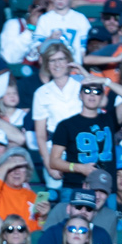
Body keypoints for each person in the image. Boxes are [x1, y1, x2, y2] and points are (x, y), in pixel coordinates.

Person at [50, 75, 122, 194]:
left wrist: (106, 81)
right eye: (87, 90)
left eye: (97, 91)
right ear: (80, 95)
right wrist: (79, 168)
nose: (92, 94)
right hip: (75, 187)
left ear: (102, 97)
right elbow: (54, 161)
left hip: (106, 189)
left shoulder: (110, 119)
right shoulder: (66, 125)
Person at [32, 42, 82, 187]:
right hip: (56, 150)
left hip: (82, 146)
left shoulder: (81, 84)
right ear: (47, 64)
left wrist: (83, 72)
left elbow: (102, 101)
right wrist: (48, 163)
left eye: (61, 59)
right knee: (58, 192)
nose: (57, 64)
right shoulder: (41, 93)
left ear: (68, 61)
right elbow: (40, 135)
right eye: (52, 60)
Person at [0, 149, 49, 231]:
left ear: (27, 171)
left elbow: (37, 229)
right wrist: (4, 167)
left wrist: (43, 218)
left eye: (21, 167)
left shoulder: (32, 196)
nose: (17, 172)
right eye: (12, 167)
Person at [42, 167, 117, 240]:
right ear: (84, 186)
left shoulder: (110, 216)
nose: (97, 196)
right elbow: (46, 239)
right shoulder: (60, 209)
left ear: (109, 194)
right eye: (94, 190)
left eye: (103, 192)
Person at [33, 0, 92, 64]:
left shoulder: (80, 19)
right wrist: (49, 39)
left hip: (74, 66)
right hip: (52, 67)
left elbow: (83, 50)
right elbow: (38, 49)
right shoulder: (45, 19)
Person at [38, 189, 114, 244]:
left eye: (89, 209)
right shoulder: (52, 233)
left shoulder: (102, 235)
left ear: (94, 213)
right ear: (68, 209)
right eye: (78, 207)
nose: (83, 211)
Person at [0, 0, 53, 65]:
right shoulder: (15, 24)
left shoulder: (53, 29)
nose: (40, 12)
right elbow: (10, 59)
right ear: (30, 8)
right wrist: (30, 29)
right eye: (36, 7)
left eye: (45, 10)